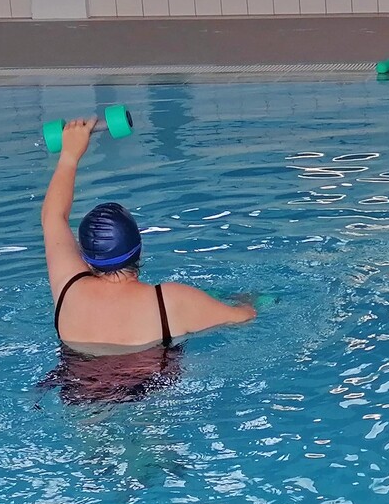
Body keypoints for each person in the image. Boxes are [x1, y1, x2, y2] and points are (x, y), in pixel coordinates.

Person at [41, 119, 255, 397]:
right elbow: (244, 318)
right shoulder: (170, 301)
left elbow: (53, 218)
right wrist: (247, 299)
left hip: (77, 397)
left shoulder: (68, 289)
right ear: (139, 247)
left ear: (85, 256)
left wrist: (69, 155)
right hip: (147, 399)